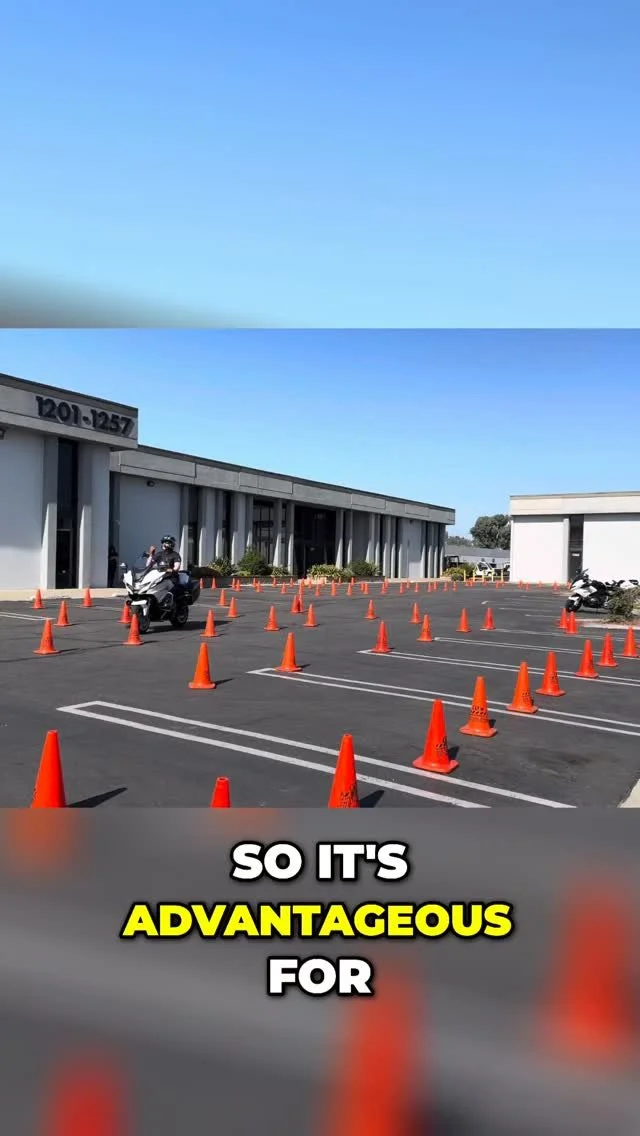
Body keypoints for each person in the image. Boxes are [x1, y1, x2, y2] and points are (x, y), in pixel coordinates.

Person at [146, 535, 183, 607]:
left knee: (166, 588)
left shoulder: (175, 555)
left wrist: (171, 570)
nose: (166, 544)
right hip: (159, 577)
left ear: (172, 544)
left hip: (171, 578)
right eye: (165, 542)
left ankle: (167, 602)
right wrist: (151, 554)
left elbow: (176, 567)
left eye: (168, 542)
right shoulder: (159, 554)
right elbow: (148, 565)